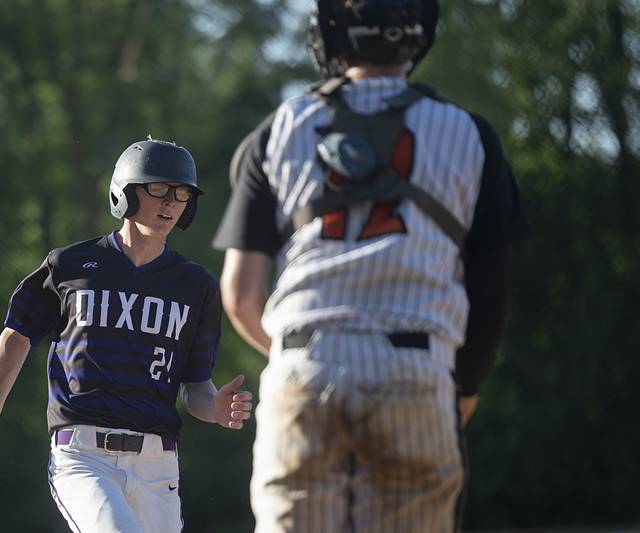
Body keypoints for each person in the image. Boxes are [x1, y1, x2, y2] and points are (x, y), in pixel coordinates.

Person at [213, 1, 530, 531]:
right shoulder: (470, 133)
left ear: (332, 34)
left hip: (304, 362)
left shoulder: (280, 127)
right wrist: (465, 386)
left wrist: (311, 357)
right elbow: (490, 293)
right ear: (418, 33)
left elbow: (241, 295)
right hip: (415, 365)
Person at [0, 139, 253, 533]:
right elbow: (18, 334)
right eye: (158, 189)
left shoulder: (196, 286)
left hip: (158, 464)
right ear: (126, 192)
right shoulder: (71, 265)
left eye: (181, 193)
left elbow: (196, 386)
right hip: (84, 456)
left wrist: (214, 408)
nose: (170, 202)